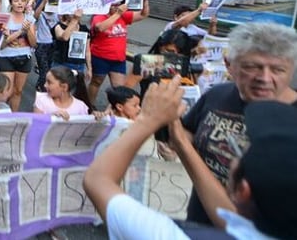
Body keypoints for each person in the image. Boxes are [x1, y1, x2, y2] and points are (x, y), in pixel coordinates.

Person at [84, 76, 297, 240]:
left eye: (240, 150)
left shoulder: (176, 234)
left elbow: (97, 180)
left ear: (242, 191)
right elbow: (228, 218)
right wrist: (183, 144)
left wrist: (149, 120)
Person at [180, 22, 297, 225]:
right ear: (228, 64)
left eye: (278, 69)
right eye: (252, 67)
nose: (264, 78)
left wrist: (179, 141)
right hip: (198, 225)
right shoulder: (217, 94)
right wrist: (168, 125)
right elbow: (190, 133)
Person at [88, 0, 149, 104]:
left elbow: (143, 15)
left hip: (118, 59)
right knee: (96, 82)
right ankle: (89, 106)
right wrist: (118, 13)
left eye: (118, 4)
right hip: (101, 57)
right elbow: (100, 27)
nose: (116, 7)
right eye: (113, 5)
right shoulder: (99, 16)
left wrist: (145, 0)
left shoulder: (123, 16)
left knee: (119, 89)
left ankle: (115, 111)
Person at [0, 0, 37, 112]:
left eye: (22, 0)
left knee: (18, 91)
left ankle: (13, 117)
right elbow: (2, 45)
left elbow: (34, 43)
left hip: (24, 57)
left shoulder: (30, 19)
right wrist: (21, 31)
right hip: (6, 57)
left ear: (25, 3)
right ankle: (1, 114)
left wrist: (28, 30)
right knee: (7, 91)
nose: (19, 3)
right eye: (16, 1)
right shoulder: (5, 18)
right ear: (11, 4)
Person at [52, 9, 92, 80]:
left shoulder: (84, 29)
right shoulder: (59, 26)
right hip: (62, 64)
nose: (73, 14)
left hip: (79, 65)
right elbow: (64, 37)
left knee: (75, 89)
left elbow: (87, 51)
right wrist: (75, 20)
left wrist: (89, 68)